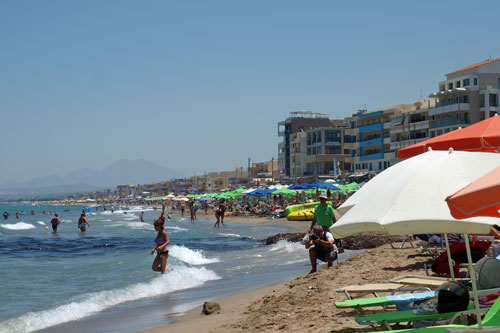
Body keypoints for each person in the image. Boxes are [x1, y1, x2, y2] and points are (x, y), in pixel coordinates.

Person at [151, 204, 170, 274]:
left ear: (160, 226)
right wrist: (154, 249)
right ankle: (168, 270)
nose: (155, 228)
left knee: (163, 271)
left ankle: (166, 272)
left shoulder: (163, 233)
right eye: (154, 227)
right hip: (158, 253)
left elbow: (168, 241)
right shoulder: (158, 233)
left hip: (164, 253)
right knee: (154, 268)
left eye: (156, 227)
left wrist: (161, 247)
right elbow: (159, 243)